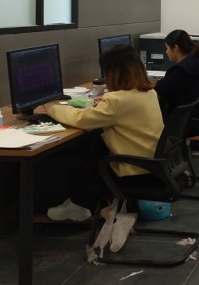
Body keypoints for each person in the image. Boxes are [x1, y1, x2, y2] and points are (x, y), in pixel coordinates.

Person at [45, 44, 164, 250]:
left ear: (114, 73)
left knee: (77, 179)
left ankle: (111, 215)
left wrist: (51, 109)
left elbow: (82, 120)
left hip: (133, 171)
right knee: (93, 156)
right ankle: (84, 209)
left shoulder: (117, 100)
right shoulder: (149, 93)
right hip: (153, 165)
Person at [153, 29, 199, 124]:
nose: (166, 52)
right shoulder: (197, 63)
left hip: (186, 123)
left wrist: (162, 81)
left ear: (176, 48)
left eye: (167, 48)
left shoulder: (180, 70)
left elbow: (159, 89)